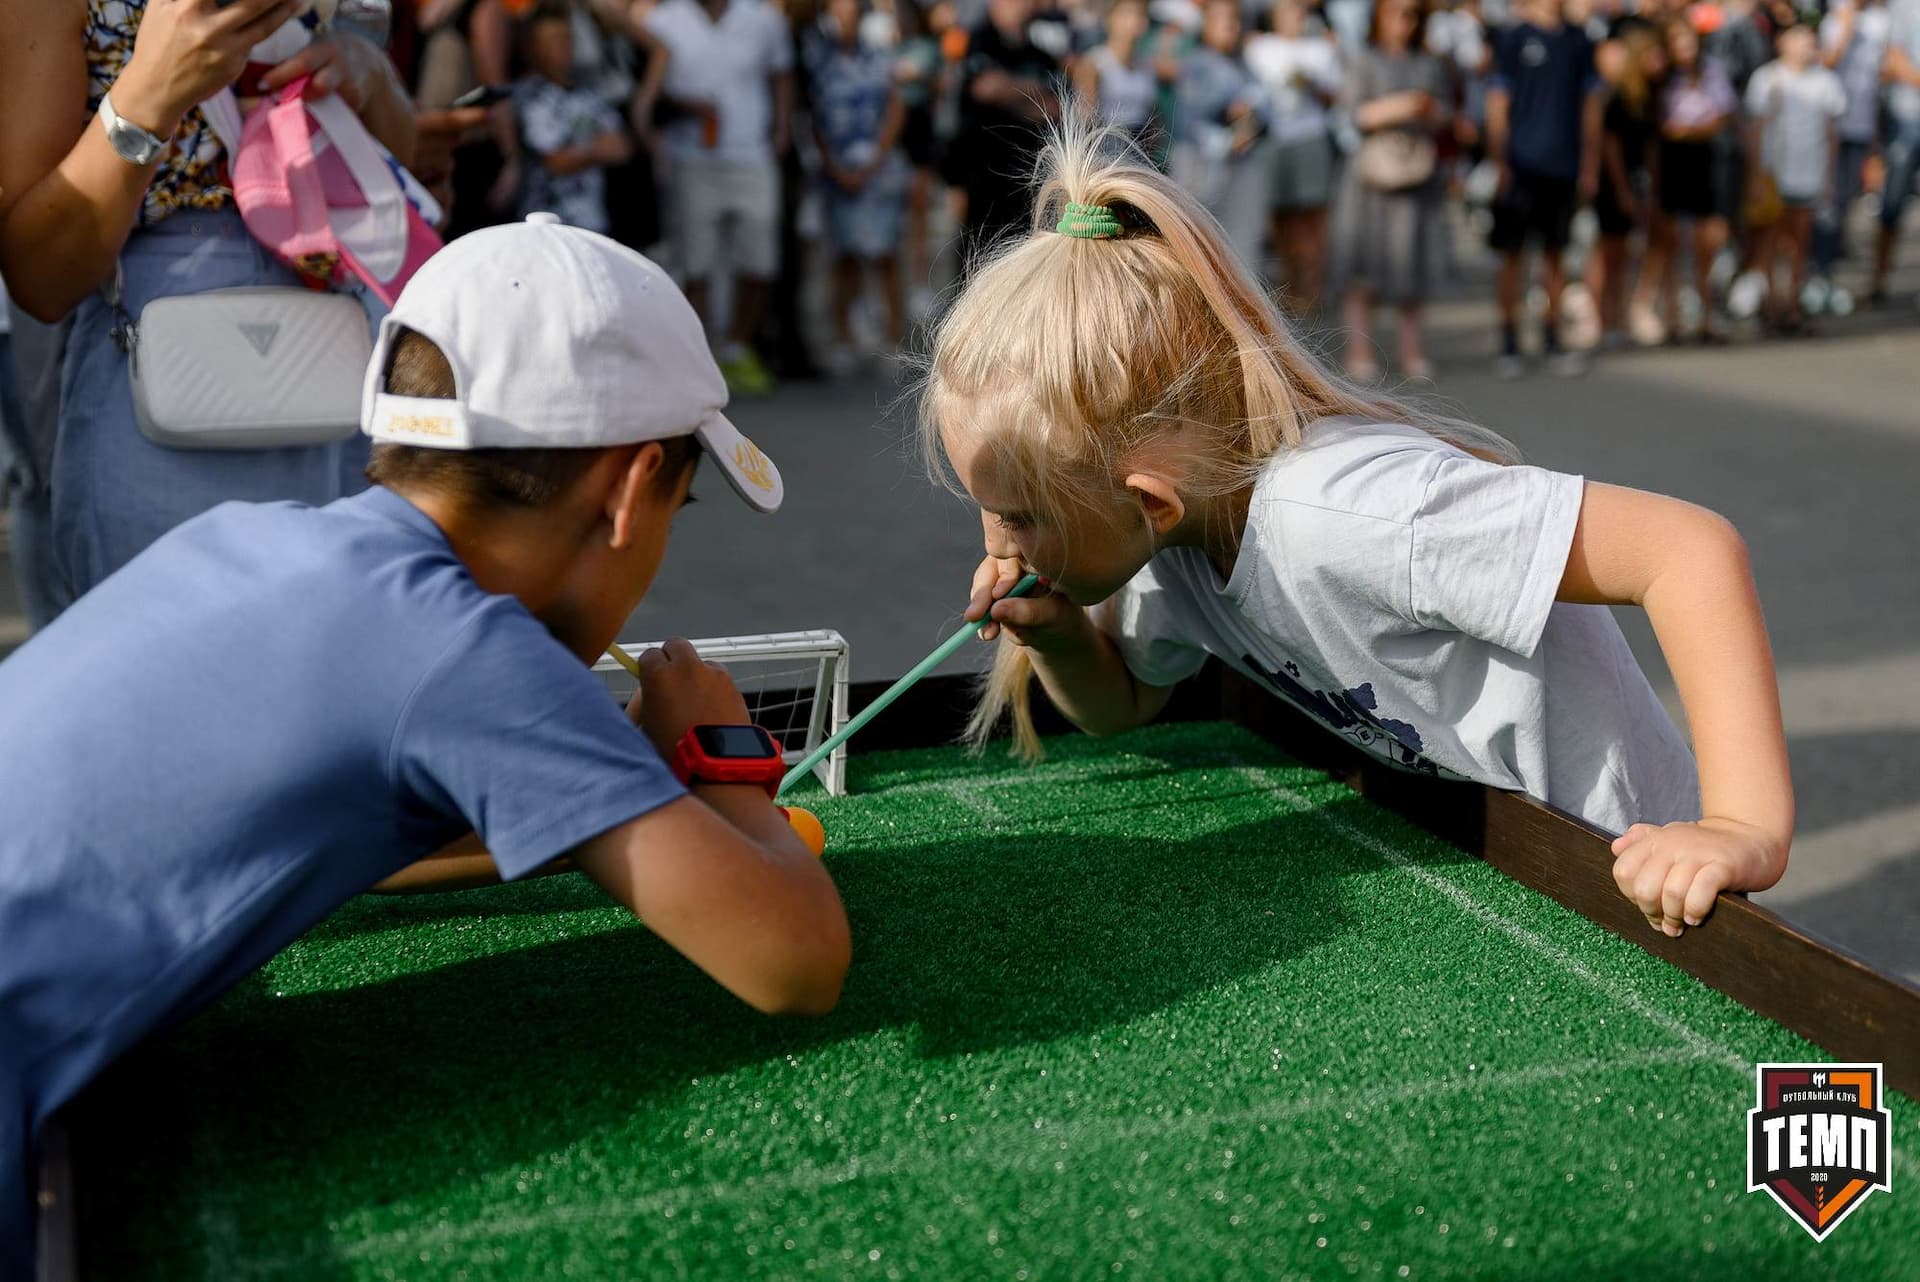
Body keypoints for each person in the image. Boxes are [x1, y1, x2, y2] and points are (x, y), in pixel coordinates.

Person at [0, 218, 852, 1275]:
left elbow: (357, 831)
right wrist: (717, 755)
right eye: (683, 500)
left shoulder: (252, 536)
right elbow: (795, 960)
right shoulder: (465, 654)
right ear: (633, 492)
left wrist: (622, 785)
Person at [923, 118, 1792, 962]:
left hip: (1634, 861)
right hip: (1507, 861)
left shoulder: (1355, 517)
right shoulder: (1170, 548)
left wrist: (1738, 826)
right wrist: (1062, 636)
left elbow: (1689, 550)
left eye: (1019, 514)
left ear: (1149, 500)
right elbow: (1122, 707)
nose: (995, 538)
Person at [0, 0, 420, 607]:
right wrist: (148, 95)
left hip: (350, 380)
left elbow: (397, 162)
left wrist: (368, 74)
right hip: (173, 411)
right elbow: (40, 279)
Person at [642, 0, 796, 395]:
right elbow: (649, 85)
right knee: (697, 264)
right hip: (690, 158)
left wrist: (781, 128)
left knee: (760, 262)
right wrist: (679, 105)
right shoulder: (662, 20)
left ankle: (736, 348)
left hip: (752, 155)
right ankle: (701, 358)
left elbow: (782, 76)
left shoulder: (763, 20)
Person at [1329, 0, 1452, 382]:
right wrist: (1403, 106)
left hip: (1416, 173)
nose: (1404, 21)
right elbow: (1353, 114)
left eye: (1412, 14)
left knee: (1411, 263)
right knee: (1360, 269)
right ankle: (1359, 353)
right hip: (1370, 176)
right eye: (1397, 12)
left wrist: (1429, 109)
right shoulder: (1364, 60)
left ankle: (1412, 352)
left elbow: (1447, 116)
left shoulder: (1429, 63)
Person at [1485, 0, 1605, 378]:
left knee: (1555, 254)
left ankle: (1553, 338)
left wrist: (1589, 162)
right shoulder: (1512, 37)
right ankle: (1510, 342)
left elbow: (1591, 105)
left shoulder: (1578, 40)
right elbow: (1497, 101)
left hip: (1563, 165)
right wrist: (1499, 160)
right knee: (1512, 255)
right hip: (1520, 167)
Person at [805, 0, 913, 372]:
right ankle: (843, 340)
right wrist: (832, 164)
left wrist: (875, 159)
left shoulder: (880, 55)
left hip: (878, 170)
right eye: (839, 14)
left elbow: (895, 108)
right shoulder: (818, 59)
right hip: (836, 171)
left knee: (884, 255)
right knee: (845, 256)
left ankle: (894, 341)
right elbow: (812, 116)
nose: (846, 21)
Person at [1636, 15, 1738, 344]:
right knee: (1669, 240)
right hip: (1670, 161)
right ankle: (1672, 316)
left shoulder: (1710, 70)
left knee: (1706, 240)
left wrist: (1689, 129)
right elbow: (1653, 123)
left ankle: (1707, 315)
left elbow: (1721, 115)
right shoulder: (1661, 77)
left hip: (1702, 158)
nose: (1684, 48)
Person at [1744, 21, 1845, 332]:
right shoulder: (1766, 78)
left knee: (1800, 241)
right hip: (1775, 175)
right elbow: (1755, 130)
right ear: (1781, 42)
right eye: (1798, 37)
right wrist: (1756, 176)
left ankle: (1792, 303)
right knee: (1771, 240)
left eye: (1809, 38)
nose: (1805, 44)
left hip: (1808, 173)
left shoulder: (1825, 82)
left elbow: (1831, 134)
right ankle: (1772, 302)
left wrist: (1828, 175)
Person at [1245, 0, 1343, 309]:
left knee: (1313, 218)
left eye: (1298, 10)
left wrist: (1311, 84)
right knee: (1282, 219)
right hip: (1275, 139)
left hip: (1310, 138)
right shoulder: (1259, 48)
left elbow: (1334, 98)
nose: (1294, 16)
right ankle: (1291, 288)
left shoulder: (1321, 49)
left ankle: (1313, 288)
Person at [956, 0, 1065, 262]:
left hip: (1028, 174)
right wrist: (1032, 94)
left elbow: (1055, 107)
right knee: (978, 260)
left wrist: (1009, 91)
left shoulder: (1040, 53)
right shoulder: (980, 40)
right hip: (984, 173)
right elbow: (984, 88)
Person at [514, 2, 635, 234]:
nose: (562, 48)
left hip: (592, 220)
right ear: (535, 48)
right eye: (551, 42)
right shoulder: (531, 96)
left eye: (566, 39)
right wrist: (594, 147)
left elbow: (621, 148)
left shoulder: (589, 91)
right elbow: (556, 162)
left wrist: (577, 152)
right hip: (546, 223)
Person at [1171, 0, 1272, 273]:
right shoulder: (1195, 64)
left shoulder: (1246, 66)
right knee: (1198, 247)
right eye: (1222, 20)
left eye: (1235, 20)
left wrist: (1247, 124)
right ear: (1206, 25)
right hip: (1200, 168)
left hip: (1241, 168)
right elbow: (1192, 117)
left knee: (1241, 248)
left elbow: (1264, 114)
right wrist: (1232, 111)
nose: (1231, 27)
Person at [1809, 0, 1890, 314]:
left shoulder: (1879, 22)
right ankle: (1816, 274)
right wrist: (1845, 26)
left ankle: (1826, 274)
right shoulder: (1830, 21)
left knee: (1844, 202)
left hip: (1861, 126)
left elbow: (1882, 71)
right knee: (1824, 202)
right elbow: (1826, 61)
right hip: (1831, 127)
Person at [1589, 24, 1662, 348]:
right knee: (1610, 254)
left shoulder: (1644, 94)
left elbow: (1647, 146)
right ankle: (1603, 321)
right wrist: (1621, 190)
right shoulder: (1615, 96)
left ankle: (1618, 318)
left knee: (1626, 254)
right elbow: (1611, 148)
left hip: (1635, 183)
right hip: (1614, 185)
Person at [1876, 0, 1920, 306]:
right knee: (1891, 204)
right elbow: (1892, 59)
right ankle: (1878, 282)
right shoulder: (1903, 6)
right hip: (1907, 118)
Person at [1073, 0, 1164, 144]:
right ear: (1109, 18)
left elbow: (1153, 118)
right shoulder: (1094, 63)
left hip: (1139, 155)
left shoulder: (1147, 67)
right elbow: (1085, 120)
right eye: (1128, 13)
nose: (1135, 21)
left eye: (1141, 14)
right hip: (1107, 153)